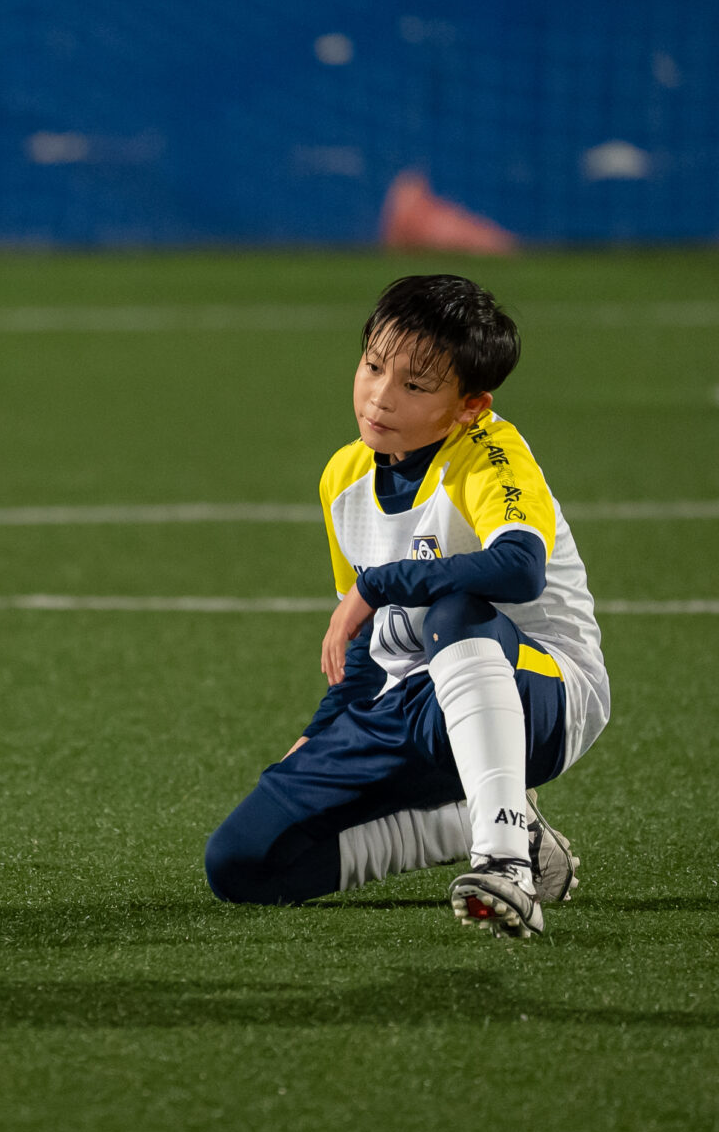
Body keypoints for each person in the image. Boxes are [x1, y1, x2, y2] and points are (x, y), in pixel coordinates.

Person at [202, 275, 609, 938]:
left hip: (545, 692)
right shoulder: (343, 477)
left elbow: (520, 566)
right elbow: (369, 648)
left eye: (415, 386)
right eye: (372, 366)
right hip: (414, 703)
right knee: (241, 861)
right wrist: (321, 733)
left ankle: (505, 863)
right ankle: (482, 825)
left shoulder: (492, 455)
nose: (380, 396)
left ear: (470, 406)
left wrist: (379, 583)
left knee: (454, 610)